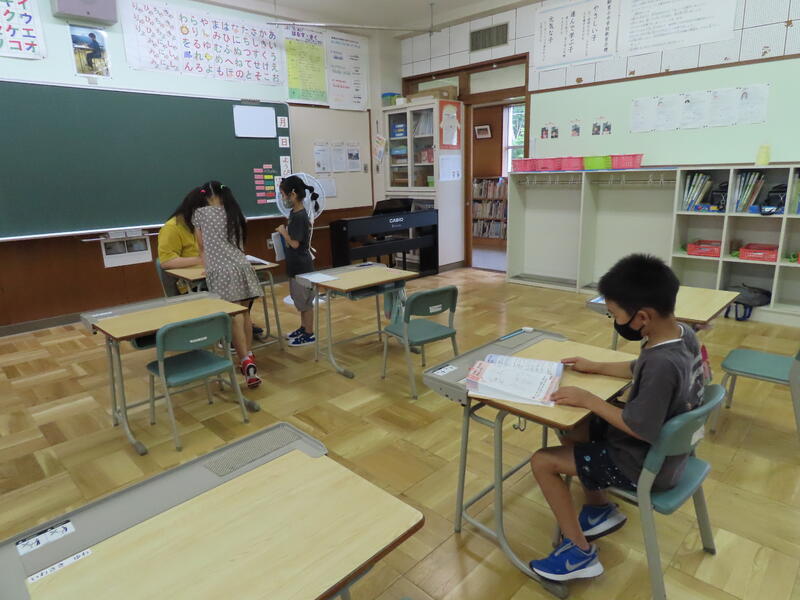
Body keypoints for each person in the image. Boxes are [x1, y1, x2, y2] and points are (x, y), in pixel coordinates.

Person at [527, 254, 703, 581]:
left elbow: (638, 428)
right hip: (669, 453)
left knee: (542, 461)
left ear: (642, 317)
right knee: (578, 423)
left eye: (615, 314)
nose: (614, 321)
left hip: (645, 465)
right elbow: (638, 368)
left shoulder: (662, 365)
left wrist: (590, 399)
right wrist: (595, 366)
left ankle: (579, 553)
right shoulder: (681, 335)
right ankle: (599, 509)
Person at [193, 181, 264, 397]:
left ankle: (245, 361)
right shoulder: (235, 212)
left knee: (233, 317)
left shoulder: (200, 214)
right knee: (244, 313)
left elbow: (201, 245)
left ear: (207, 196)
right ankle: (248, 356)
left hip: (221, 271)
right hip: (242, 266)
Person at [276, 176, 317, 347]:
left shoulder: (300, 216)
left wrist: (283, 232)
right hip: (295, 264)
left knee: (305, 302)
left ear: (293, 194)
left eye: (283, 194)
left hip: (302, 266)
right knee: (299, 300)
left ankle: (309, 333)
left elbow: (295, 243)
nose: (283, 198)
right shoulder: (294, 213)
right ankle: (303, 327)